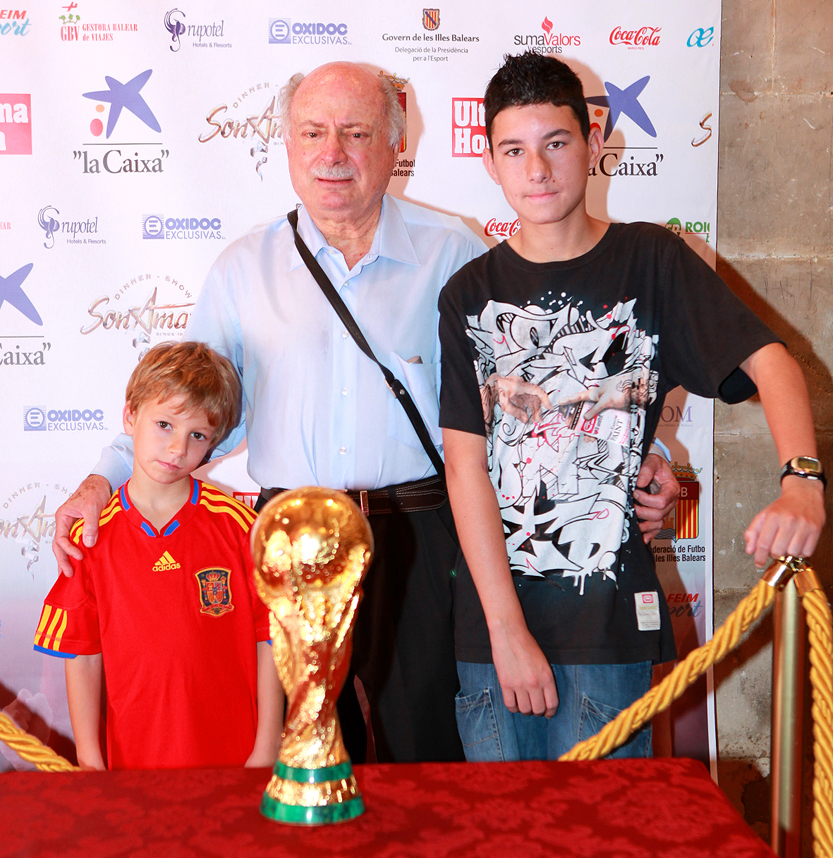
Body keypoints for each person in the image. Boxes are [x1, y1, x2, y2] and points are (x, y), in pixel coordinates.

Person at [51, 61, 679, 764]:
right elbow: (183, 405)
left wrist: (636, 456)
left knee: (429, 751)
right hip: (289, 540)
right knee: (302, 755)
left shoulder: (456, 256)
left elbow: (540, 399)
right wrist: (102, 478)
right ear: (286, 145)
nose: (333, 153)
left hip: (426, 536)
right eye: (313, 132)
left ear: (393, 143)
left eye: (355, 133)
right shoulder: (242, 269)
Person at [438, 52, 826, 762]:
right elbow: (465, 470)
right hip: (490, 636)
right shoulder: (468, 294)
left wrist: (801, 482)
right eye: (514, 151)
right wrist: (503, 631)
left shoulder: (653, 261)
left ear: (591, 142)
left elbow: (772, 365)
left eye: (555, 144)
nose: (538, 170)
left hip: (608, 629)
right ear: (489, 162)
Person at [35, 342, 283, 770]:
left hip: (235, 758)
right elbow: (82, 654)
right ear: (130, 416)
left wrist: (265, 749)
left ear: (214, 443)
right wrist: (90, 759)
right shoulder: (91, 537)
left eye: (197, 436)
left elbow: (273, 638)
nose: (177, 449)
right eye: (165, 424)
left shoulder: (242, 528)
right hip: (133, 765)